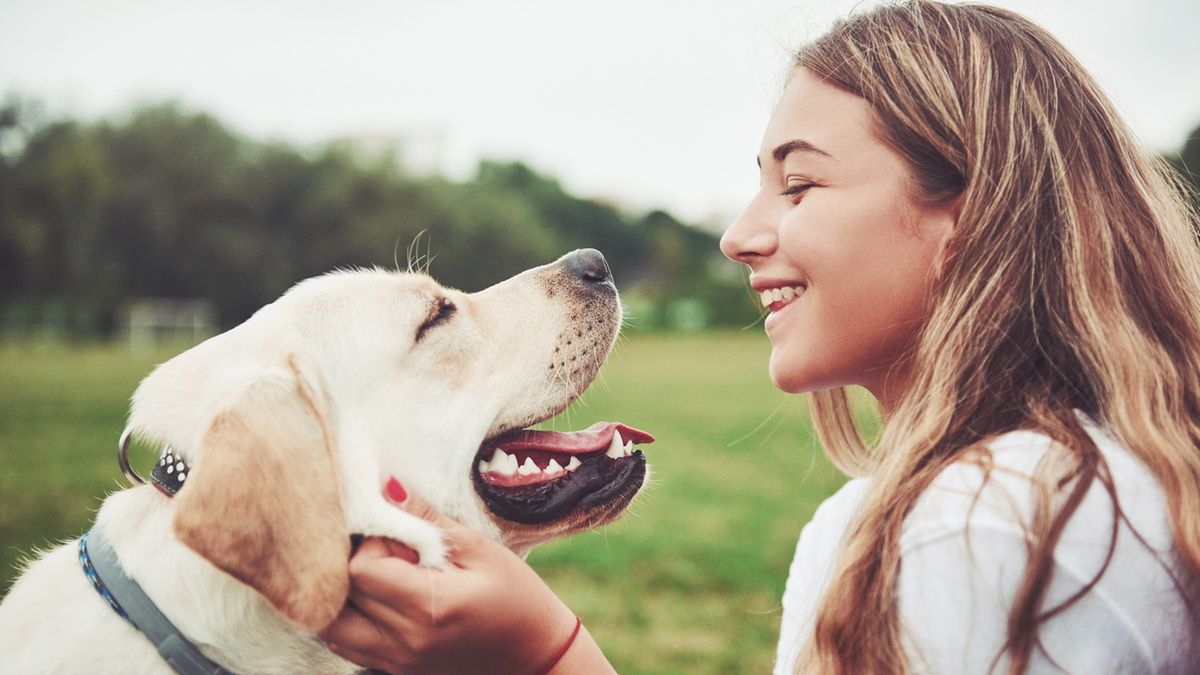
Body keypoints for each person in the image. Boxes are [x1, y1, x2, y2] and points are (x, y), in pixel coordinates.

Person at [319, 1, 1200, 672]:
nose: (739, 235)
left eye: (800, 185)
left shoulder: (985, 522)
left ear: (972, 219)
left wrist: (544, 652)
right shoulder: (1079, 478)